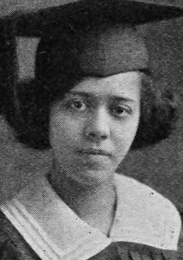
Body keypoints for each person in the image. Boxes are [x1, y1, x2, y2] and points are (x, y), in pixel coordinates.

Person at [0, 0, 182, 259]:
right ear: (43, 111)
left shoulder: (168, 226)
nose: (98, 129)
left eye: (119, 110)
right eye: (77, 105)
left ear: (143, 114)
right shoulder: (10, 241)